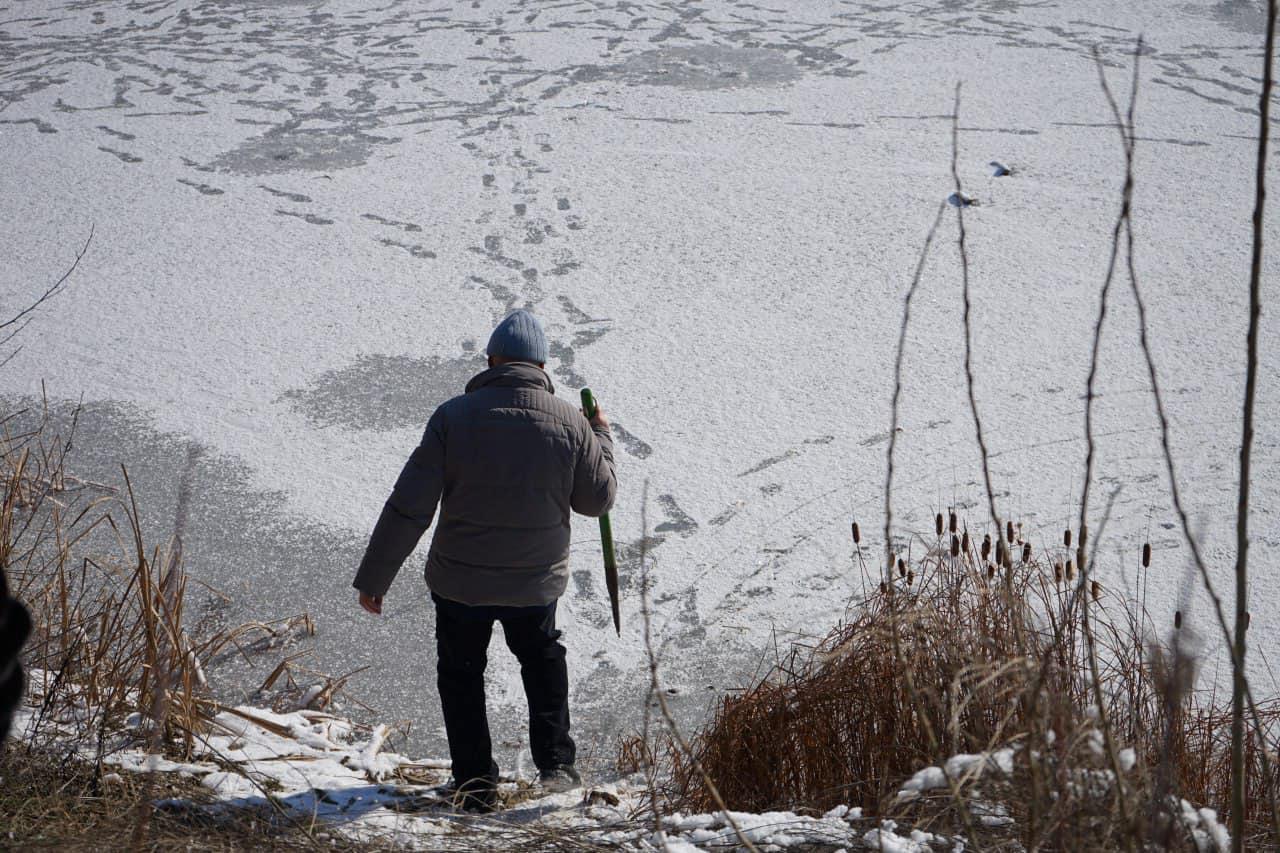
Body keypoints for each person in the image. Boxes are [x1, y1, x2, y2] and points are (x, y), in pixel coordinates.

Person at [353, 309, 616, 812]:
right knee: (542, 661)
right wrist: (600, 435)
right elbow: (597, 501)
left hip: (460, 582)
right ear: (541, 366)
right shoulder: (568, 422)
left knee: (461, 672)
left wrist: (376, 577)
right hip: (533, 583)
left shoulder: (453, 417)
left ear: (492, 360)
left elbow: (411, 505)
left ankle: (475, 783)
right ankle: (557, 766)